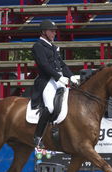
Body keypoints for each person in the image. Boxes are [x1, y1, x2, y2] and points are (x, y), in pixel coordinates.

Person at [31, 19, 79, 148]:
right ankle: (38, 137)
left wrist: (71, 76)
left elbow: (61, 64)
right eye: (51, 31)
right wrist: (59, 77)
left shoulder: (53, 46)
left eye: (54, 31)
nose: (54, 33)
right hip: (47, 81)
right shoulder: (38, 46)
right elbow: (44, 65)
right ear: (43, 32)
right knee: (50, 107)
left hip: (59, 79)